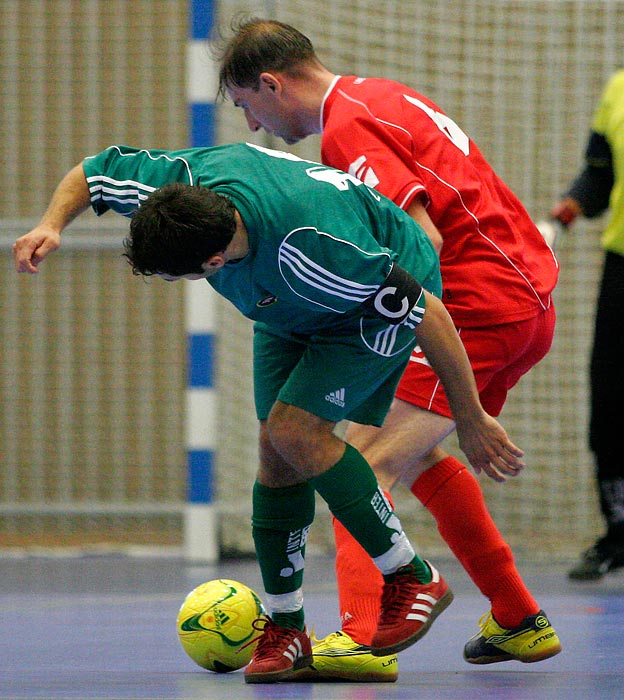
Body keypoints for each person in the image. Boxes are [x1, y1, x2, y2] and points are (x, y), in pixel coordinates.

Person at [13, 141, 526, 684]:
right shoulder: (179, 182)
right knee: (274, 452)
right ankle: (287, 631)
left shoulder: (314, 250)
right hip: (283, 305)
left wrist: (469, 416)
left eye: (175, 277)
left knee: (295, 430)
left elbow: (429, 314)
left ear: (212, 264)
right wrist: (51, 224)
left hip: (365, 306)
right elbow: (94, 172)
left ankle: (411, 577)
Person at [216, 18, 562, 681]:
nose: (255, 127)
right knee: (417, 448)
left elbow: (422, 243)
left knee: (360, 463)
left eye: (247, 108)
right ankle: (519, 618)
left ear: (270, 83)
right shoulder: (378, 94)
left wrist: (350, 320)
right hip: (518, 297)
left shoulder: (349, 128)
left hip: (478, 303)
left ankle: (361, 637)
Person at [551, 69, 624, 581]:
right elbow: (599, 175)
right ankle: (618, 532)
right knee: (612, 398)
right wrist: (561, 217)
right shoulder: (618, 88)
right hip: (622, 264)